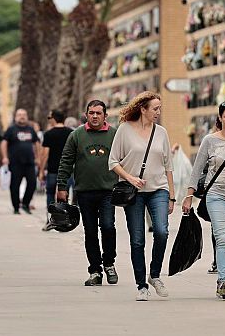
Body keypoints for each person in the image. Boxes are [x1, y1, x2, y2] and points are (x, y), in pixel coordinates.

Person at [109, 91, 175, 301]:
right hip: (134, 194)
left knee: (162, 232)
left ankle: (154, 275)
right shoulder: (125, 130)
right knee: (137, 240)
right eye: (155, 108)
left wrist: (172, 196)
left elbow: (168, 165)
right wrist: (130, 178)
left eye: (159, 108)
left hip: (159, 190)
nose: (158, 112)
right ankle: (141, 286)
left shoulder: (161, 132)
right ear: (143, 109)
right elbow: (113, 161)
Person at [182, 102, 225, 300]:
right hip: (215, 194)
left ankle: (223, 278)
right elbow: (197, 169)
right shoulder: (209, 140)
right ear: (220, 118)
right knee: (222, 238)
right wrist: (189, 195)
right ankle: (223, 280)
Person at [57, 100, 119, 286]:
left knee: (108, 227)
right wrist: (61, 187)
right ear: (86, 115)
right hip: (84, 192)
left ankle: (109, 263)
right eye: (91, 113)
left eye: (98, 113)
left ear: (105, 115)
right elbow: (66, 161)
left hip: (108, 191)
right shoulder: (76, 135)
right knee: (90, 231)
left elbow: (125, 159)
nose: (95, 116)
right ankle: (95, 270)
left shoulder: (115, 135)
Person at [1, 109, 40, 214]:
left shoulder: (30, 129)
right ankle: (16, 207)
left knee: (32, 183)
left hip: (29, 162)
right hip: (15, 162)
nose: (22, 116)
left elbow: (36, 143)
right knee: (15, 185)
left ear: (27, 116)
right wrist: (5, 157)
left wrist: (38, 157)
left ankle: (26, 204)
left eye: (24, 115)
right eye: (19, 115)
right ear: (15, 117)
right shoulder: (11, 129)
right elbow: (4, 143)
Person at [40, 110, 73, 230]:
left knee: (50, 194)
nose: (49, 120)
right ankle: (64, 221)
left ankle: (51, 220)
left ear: (54, 119)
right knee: (64, 194)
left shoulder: (48, 134)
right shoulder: (71, 133)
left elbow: (45, 154)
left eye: (49, 118)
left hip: (53, 170)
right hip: (68, 170)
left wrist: (41, 170)